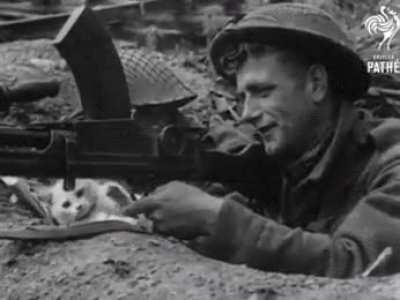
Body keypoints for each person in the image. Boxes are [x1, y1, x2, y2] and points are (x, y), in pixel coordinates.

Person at [124, 3, 400, 278]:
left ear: (316, 84)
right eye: (243, 97)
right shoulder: (287, 154)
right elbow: (226, 157)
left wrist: (220, 220)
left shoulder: (390, 161)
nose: (246, 114)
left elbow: (358, 264)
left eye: (262, 92)